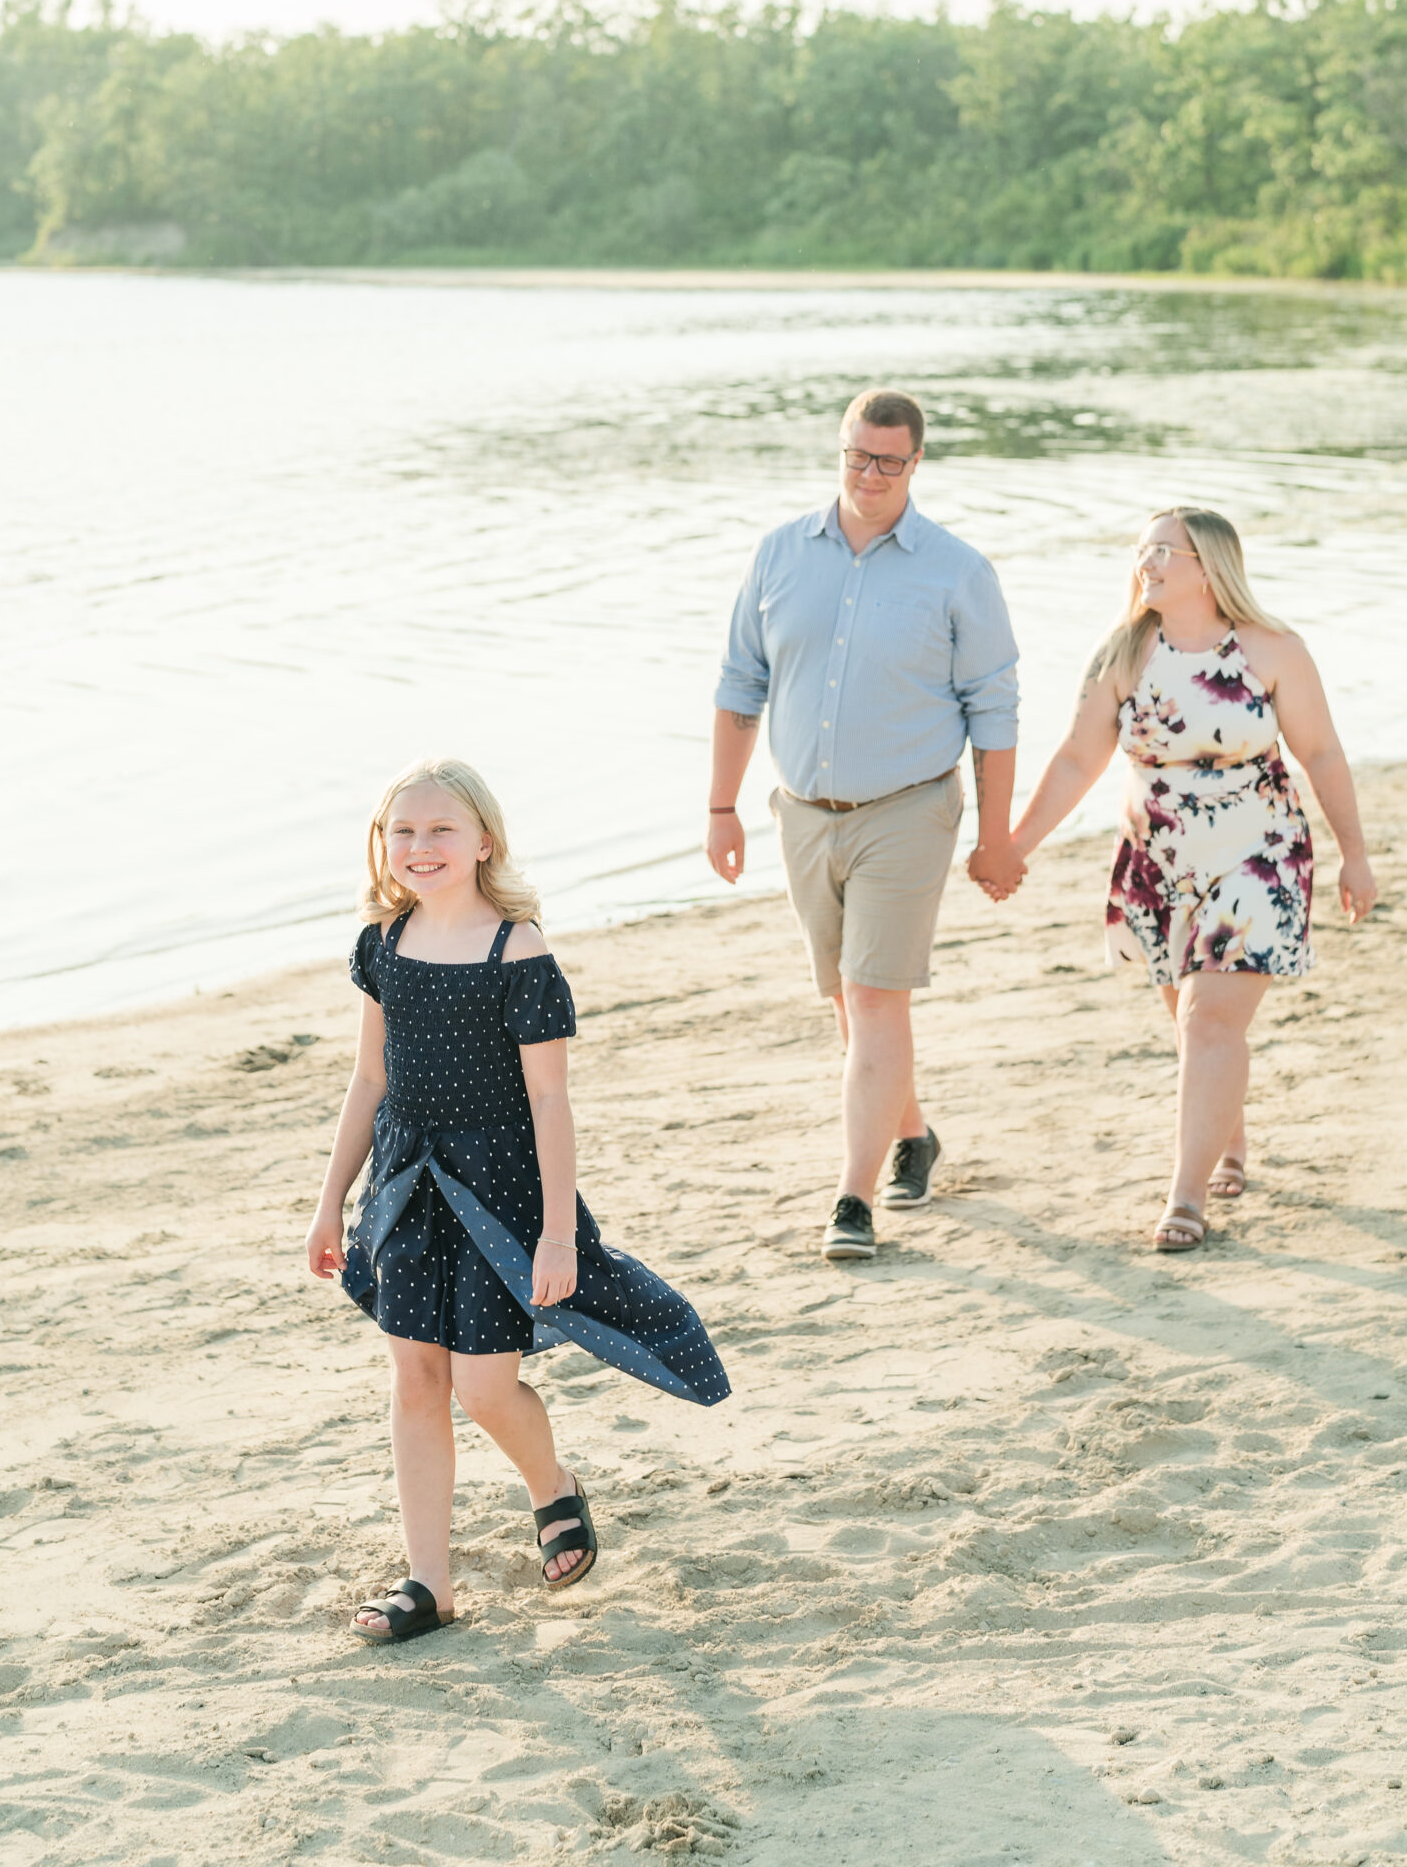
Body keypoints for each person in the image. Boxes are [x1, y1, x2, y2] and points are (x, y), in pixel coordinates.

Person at [307, 758, 728, 1643]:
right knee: (416, 1380)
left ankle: (553, 1488)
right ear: (382, 845)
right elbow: (369, 1077)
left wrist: (560, 1235)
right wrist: (329, 1202)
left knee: (486, 1388)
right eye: (403, 831)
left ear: (483, 841)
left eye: (440, 830)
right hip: (407, 1188)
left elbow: (548, 1100)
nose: (420, 848)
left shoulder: (517, 950)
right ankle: (429, 1583)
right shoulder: (383, 943)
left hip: (499, 1197)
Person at [1002, 507, 1377, 1252]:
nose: (1146, 562)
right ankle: (1226, 1140)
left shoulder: (1272, 650)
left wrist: (1353, 854)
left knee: (1209, 1020)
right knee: (1194, 1023)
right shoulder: (1121, 654)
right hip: (1158, 862)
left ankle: (1185, 1195)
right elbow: (1077, 760)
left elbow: (1322, 755)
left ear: (1208, 567)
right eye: (1141, 549)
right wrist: (1016, 845)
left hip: (1259, 853)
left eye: (1163, 551)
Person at [708, 387, 1021, 1262]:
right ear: (838, 449)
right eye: (856, 455)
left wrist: (996, 837)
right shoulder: (778, 554)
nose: (869, 474)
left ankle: (852, 1198)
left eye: (888, 460)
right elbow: (741, 687)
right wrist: (720, 808)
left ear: (916, 463)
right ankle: (912, 1134)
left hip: (910, 811)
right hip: (802, 816)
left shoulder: (957, 570)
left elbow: (993, 710)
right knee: (850, 1002)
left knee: (875, 996)